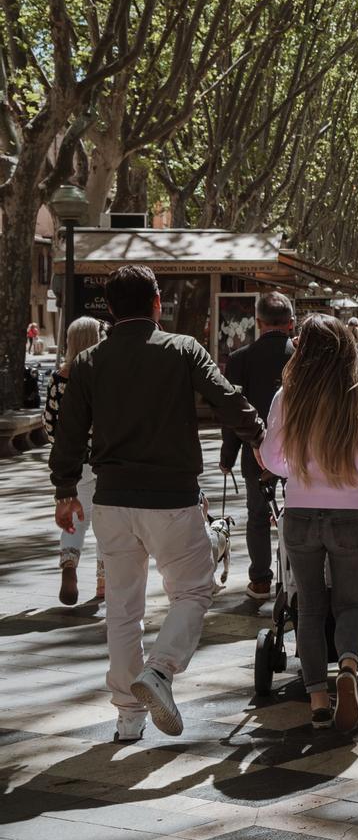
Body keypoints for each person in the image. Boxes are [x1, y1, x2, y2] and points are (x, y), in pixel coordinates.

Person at [49, 264, 262, 742]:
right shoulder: (183, 349)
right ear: (157, 304)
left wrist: (65, 490)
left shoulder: (88, 363)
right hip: (171, 499)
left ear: (109, 310)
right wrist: (258, 436)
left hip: (112, 502)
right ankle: (161, 671)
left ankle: (128, 718)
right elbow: (227, 401)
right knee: (193, 591)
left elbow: (68, 434)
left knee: (123, 608)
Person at [257, 315, 358, 732]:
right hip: (351, 512)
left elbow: (272, 459)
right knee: (350, 603)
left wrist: (299, 466)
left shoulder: (287, 396)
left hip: (299, 512)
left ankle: (317, 697)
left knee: (309, 607)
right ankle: (348, 666)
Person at [220, 292, 295, 600]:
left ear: (259, 322)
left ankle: (261, 580)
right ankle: (294, 577)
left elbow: (232, 413)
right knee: (299, 513)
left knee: (257, 515)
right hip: (298, 452)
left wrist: (227, 455)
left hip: (257, 451)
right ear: (291, 323)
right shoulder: (301, 357)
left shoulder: (240, 359)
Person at [44, 317, 105, 605]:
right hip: (103, 458)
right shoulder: (104, 376)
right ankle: (104, 580)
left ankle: (69, 565)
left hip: (72, 463)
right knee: (106, 520)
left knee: (76, 520)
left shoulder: (58, 379)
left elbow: (50, 424)